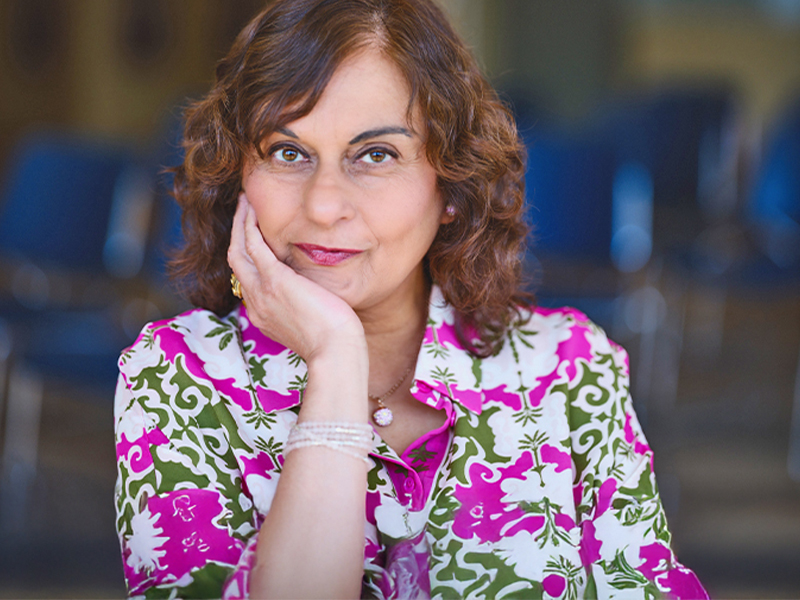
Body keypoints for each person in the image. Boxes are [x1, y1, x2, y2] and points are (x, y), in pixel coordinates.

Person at [114, 0, 708, 598]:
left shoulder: (571, 368)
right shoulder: (175, 377)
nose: (323, 206)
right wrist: (335, 360)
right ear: (241, 174)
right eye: (286, 152)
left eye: (376, 155)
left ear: (451, 184)